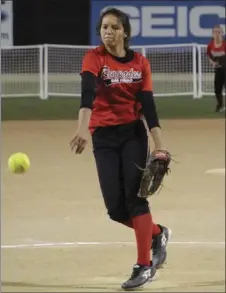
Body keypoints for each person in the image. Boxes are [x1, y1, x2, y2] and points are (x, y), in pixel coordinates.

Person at [70, 8, 171, 291]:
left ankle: (144, 265)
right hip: (102, 136)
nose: (108, 32)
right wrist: (82, 128)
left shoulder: (140, 63)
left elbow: (148, 107)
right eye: (104, 27)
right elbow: (87, 93)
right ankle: (158, 234)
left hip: (132, 135)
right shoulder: (95, 57)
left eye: (114, 27)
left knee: (135, 198)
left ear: (125, 32)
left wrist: (160, 145)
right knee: (115, 208)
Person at [207, 25, 226, 112]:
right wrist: (212, 62)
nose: (217, 34)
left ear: (222, 33)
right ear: (212, 34)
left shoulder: (225, 44)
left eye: (219, 32)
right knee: (217, 89)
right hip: (218, 70)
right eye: (215, 32)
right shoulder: (210, 45)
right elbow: (209, 55)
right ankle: (220, 105)